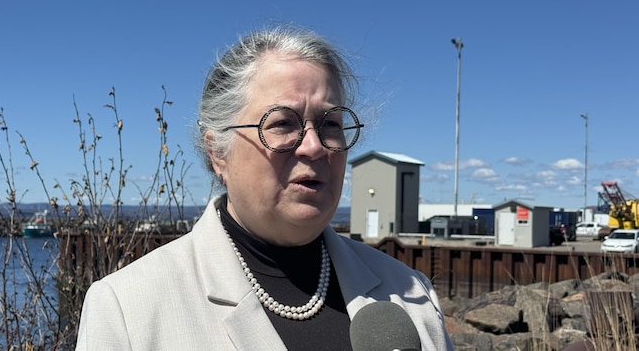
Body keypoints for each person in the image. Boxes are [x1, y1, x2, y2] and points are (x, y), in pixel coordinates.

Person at [75, 25, 454, 350]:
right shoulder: (127, 308)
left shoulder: (409, 292)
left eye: (331, 125)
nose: (314, 145)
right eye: (283, 123)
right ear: (218, 153)